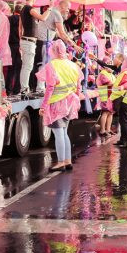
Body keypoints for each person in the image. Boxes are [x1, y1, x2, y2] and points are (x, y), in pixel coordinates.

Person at [37, 40, 83, 172]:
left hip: (57, 103)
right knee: (64, 133)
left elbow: (50, 87)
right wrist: (77, 99)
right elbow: (78, 86)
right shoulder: (73, 65)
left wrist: (43, 106)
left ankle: (61, 162)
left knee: (58, 134)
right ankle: (68, 161)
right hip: (70, 102)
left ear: (54, 51)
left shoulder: (52, 65)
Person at [92, 52, 127, 140]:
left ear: (120, 60)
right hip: (124, 96)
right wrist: (95, 58)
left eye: (115, 58)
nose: (113, 60)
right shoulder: (120, 68)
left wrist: (125, 86)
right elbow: (105, 65)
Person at [35, 0, 82, 92]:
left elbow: (59, 33)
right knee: (43, 65)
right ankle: (40, 88)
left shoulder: (53, 12)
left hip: (42, 41)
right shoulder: (57, 14)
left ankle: (41, 87)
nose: (68, 11)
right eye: (68, 8)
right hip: (44, 41)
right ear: (63, 7)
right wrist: (74, 45)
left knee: (43, 64)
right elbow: (62, 33)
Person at [19, 0, 52, 96]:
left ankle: (24, 89)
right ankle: (24, 89)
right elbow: (43, 18)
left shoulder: (23, 9)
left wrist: (22, 40)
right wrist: (50, 8)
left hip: (26, 41)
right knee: (27, 67)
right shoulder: (30, 9)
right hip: (29, 42)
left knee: (26, 66)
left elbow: (20, 29)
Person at [110, 57, 127, 148]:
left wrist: (122, 87)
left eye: (125, 62)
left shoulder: (126, 73)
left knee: (124, 121)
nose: (123, 63)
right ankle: (124, 140)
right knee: (126, 120)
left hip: (124, 100)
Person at [96, 58, 116, 137]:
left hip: (111, 96)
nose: (110, 66)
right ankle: (102, 130)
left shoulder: (110, 73)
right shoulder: (103, 73)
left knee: (110, 113)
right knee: (105, 113)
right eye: (108, 64)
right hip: (105, 96)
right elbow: (110, 83)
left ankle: (108, 129)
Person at [6, 4, 23, 95]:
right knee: (19, 68)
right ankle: (17, 89)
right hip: (20, 46)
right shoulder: (22, 20)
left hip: (10, 46)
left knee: (10, 69)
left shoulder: (9, 19)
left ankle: (8, 90)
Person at [0, 1, 12, 86]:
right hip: (0, 48)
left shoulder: (1, 18)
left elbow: (2, 36)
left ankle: (1, 92)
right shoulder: (1, 17)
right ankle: (2, 92)